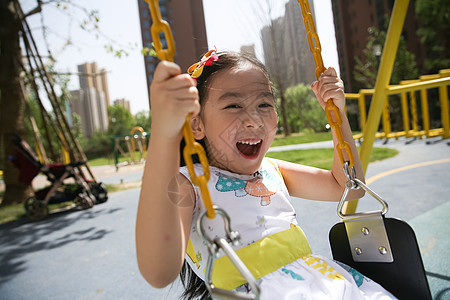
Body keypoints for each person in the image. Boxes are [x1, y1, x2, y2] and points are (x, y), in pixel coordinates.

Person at [136, 50, 396, 299]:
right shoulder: (189, 184)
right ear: (197, 124)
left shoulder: (272, 170)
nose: (254, 120)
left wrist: (336, 112)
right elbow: (159, 273)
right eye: (234, 105)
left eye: (264, 104)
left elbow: (347, 187)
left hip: (323, 286)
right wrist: (163, 132)